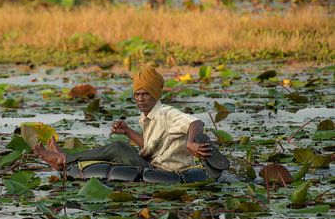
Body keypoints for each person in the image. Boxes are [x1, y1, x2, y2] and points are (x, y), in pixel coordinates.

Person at [33, 66, 226, 182]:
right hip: (153, 163)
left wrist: (191, 142)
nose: (140, 99)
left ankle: (63, 158)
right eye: (137, 95)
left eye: (145, 94)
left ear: (155, 95)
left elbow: (196, 122)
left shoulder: (167, 113)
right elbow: (150, 146)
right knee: (117, 148)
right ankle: (65, 157)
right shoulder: (146, 117)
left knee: (118, 148)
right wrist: (127, 131)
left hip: (168, 173)